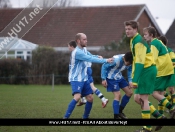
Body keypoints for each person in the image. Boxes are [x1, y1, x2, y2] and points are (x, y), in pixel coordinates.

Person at [63, 33, 113, 119]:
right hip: (76, 78)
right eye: (84, 39)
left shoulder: (84, 49)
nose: (86, 41)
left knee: (90, 98)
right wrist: (105, 60)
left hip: (84, 78)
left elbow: (90, 56)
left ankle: (85, 118)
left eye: (86, 39)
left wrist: (97, 56)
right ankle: (65, 118)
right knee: (77, 97)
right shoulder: (77, 52)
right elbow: (89, 59)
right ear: (78, 41)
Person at [124, 20, 157, 132]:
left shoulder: (138, 41)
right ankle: (158, 116)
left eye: (129, 29)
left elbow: (140, 62)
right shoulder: (134, 40)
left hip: (146, 70)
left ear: (135, 29)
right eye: (126, 29)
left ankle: (147, 128)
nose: (127, 31)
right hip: (145, 70)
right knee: (138, 98)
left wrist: (135, 80)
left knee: (143, 99)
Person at [143, 26, 175, 120]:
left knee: (154, 93)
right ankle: (162, 115)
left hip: (162, 70)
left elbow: (153, 59)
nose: (144, 37)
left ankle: (171, 108)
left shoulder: (154, 44)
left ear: (151, 35)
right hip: (168, 70)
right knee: (161, 93)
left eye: (145, 34)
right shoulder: (159, 41)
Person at [68, 40, 109, 108]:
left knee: (90, 87)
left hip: (85, 70)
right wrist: (97, 56)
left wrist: (103, 59)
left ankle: (103, 99)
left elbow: (90, 57)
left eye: (68, 46)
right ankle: (84, 99)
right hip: (88, 69)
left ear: (72, 46)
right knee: (89, 86)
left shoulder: (78, 52)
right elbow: (91, 55)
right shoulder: (82, 50)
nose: (68, 48)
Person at [101, 52, 133, 119]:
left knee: (129, 93)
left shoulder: (130, 60)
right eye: (128, 63)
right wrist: (103, 79)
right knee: (118, 95)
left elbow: (130, 70)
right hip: (111, 78)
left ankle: (120, 111)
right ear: (124, 59)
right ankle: (116, 116)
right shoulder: (115, 60)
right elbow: (104, 66)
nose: (129, 65)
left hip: (119, 76)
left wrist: (130, 81)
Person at [158, 35, 175, 110]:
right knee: (161, 92)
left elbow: (173, 61)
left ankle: (173, 107)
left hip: (170, 72)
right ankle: (168, 106)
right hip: (162, 73)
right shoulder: (158, 51)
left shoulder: (169, 51)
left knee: (171, 89)